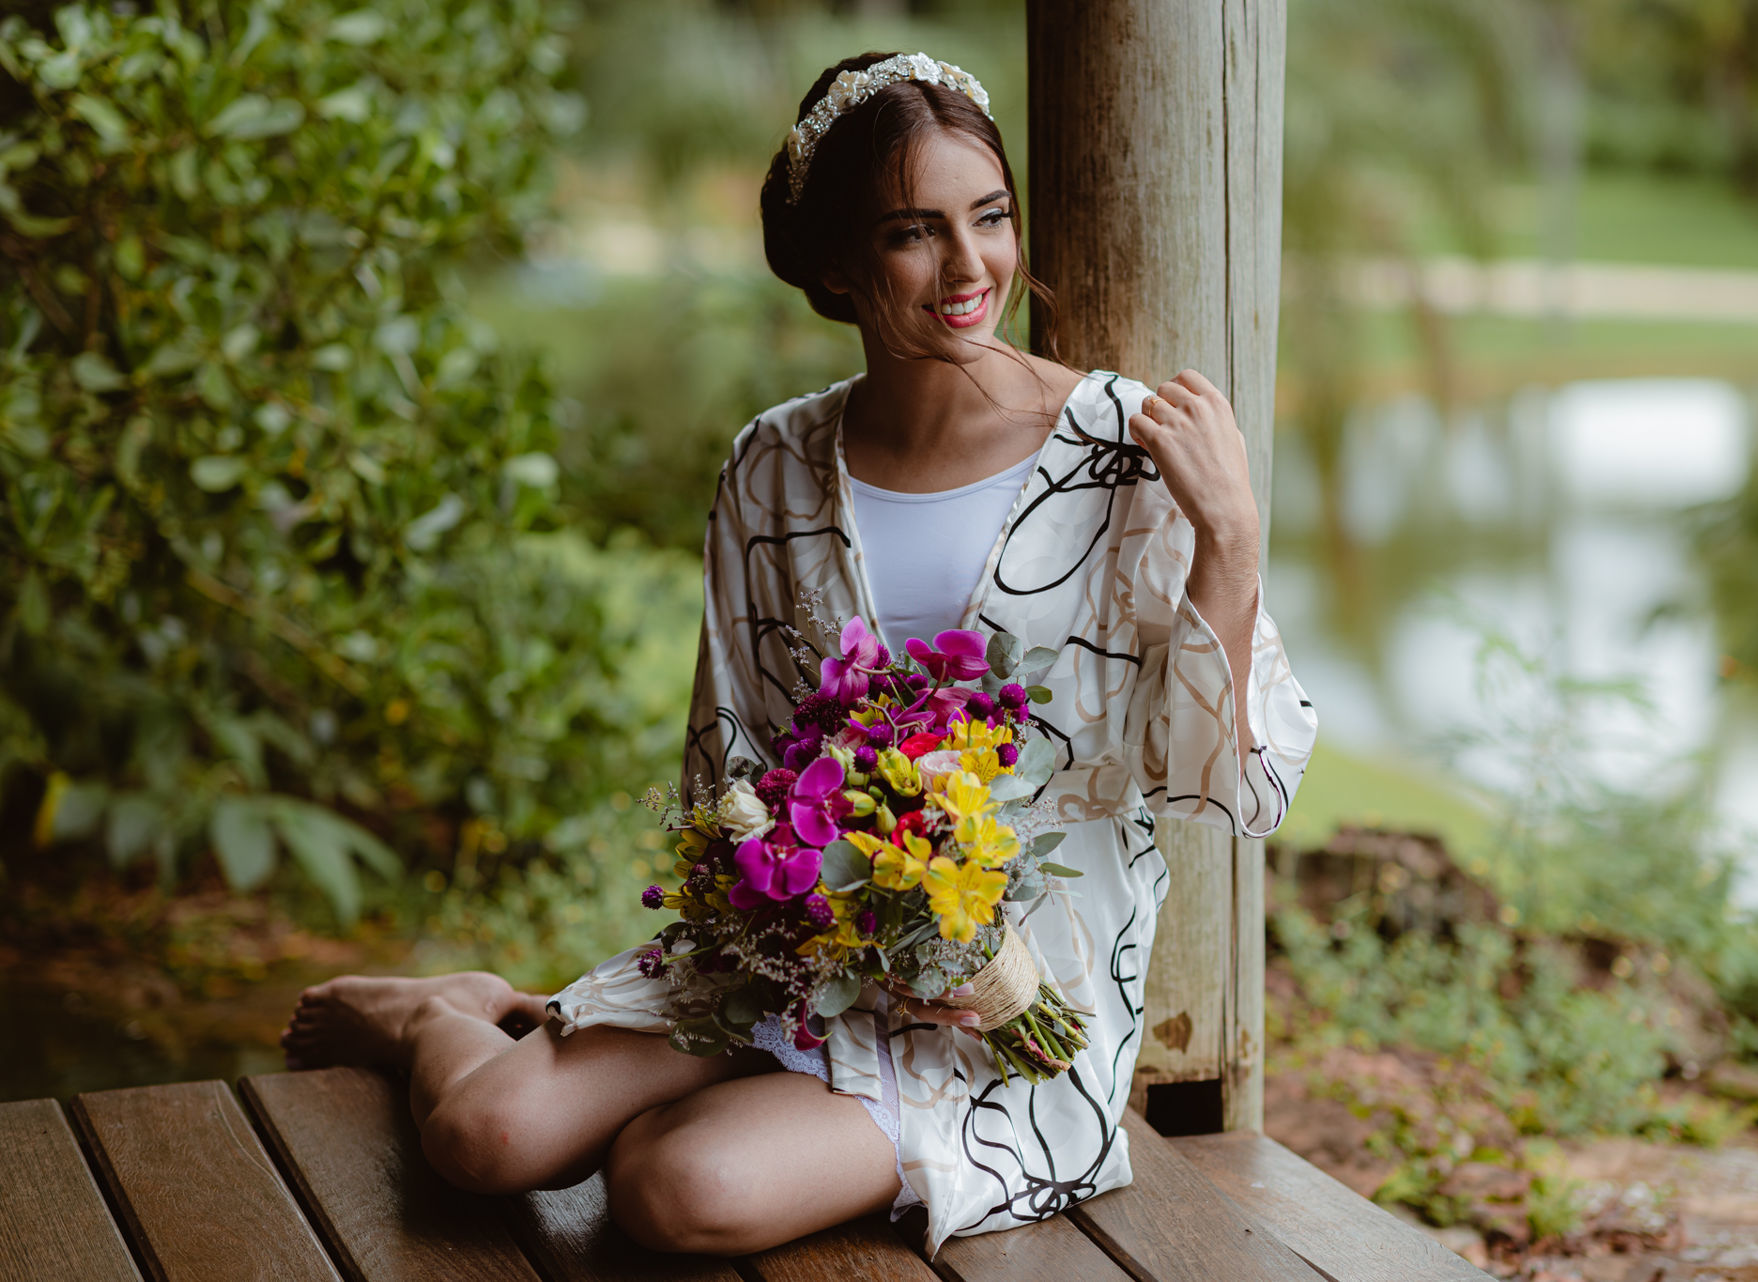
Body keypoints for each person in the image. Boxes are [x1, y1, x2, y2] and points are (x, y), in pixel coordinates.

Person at [278, 49, 1316, 1257]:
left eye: (989, 217)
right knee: (487, 1138)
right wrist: (818, 913)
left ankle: (712, 1102)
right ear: (837, 261)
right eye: (911, 234)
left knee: (677, 1188)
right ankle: (441, 1015)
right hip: (791, 956)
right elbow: (733, 763)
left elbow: (1227, 789)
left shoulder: (1121, 451)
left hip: (1024, 1016)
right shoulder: (771, 463)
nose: (969, 265)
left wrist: (1230, 542)